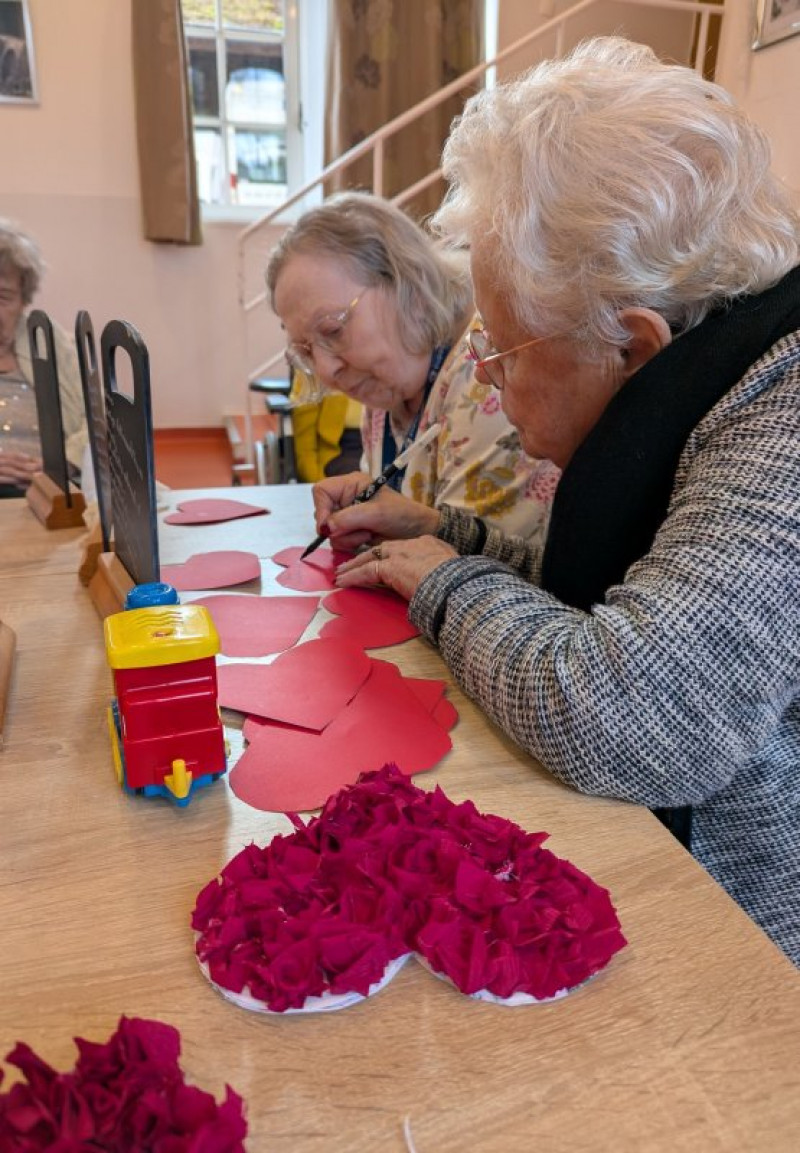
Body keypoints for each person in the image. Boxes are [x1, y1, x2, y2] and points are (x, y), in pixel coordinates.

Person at [313, 39, 800, 965]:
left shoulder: (786, 413)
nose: (487, 388)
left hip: (747, 951)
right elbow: (620, 598)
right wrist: (441, 532)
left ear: (633, 346)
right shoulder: (708, 373)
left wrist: (448, 586)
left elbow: (633, 713)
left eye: (502, 353)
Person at [267, 191, 560, 540]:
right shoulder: (389, 381)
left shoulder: (489, 376)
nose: (327, 371)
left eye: (333, 329)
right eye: (306, 351)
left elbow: (475, 577)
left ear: (409, 284)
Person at [0, 218, 87, 497]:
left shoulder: (51, 343)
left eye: (3, 297)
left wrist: (65, 464)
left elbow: (97, 420)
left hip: (54, 494)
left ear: (24, 300)